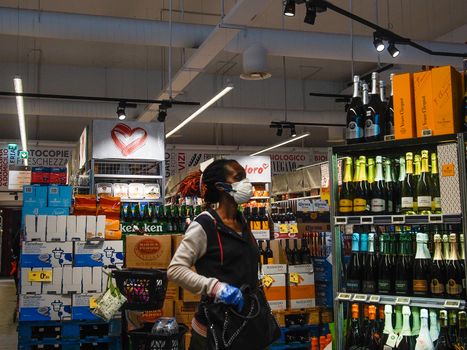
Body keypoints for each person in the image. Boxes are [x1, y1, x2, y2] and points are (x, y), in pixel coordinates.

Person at [167, 159, 260, 350]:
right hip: (213, 331)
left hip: (245, 326)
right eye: (239, 178)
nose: (247, 182)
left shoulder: (242, 222)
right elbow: (175, 269)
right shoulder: (204, 224)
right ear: (221, 187)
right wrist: (215, 287)